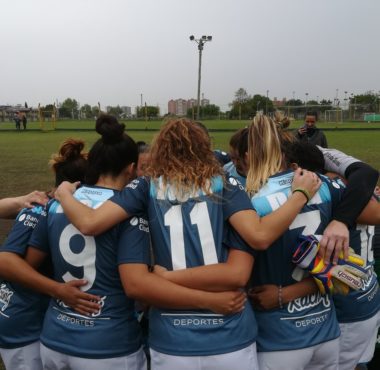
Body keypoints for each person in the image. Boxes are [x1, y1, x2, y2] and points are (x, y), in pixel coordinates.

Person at [54, 118, 321, 370]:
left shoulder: (146, 187)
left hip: (172, 339)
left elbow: (89, 223)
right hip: (230, 335)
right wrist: (300, 195)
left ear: (162, 150)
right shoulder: (225, 185)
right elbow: (259, 237)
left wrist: (64, 194)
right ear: (204, 148)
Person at [0, 138, 96, 370]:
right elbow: (5, 262)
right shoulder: (39, 209)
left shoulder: (50, 206)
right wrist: (57, 290)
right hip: (22, 324)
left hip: (37, 318)